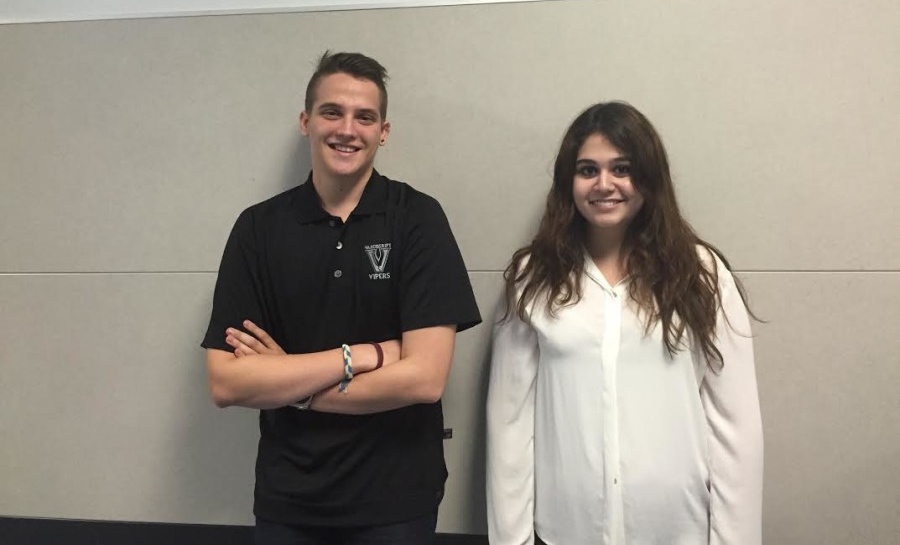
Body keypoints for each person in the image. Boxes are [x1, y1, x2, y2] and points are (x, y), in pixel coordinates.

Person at [203, 51, 481, 545]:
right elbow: (227, 382)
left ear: (384, 131)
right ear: (306, 121)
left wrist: (292, 383)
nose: (347, 129)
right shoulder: (258, 229)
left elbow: (423, 379)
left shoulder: (417, 219)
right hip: (289, 501)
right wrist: (365, 356)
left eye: (364, 117)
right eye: (332, 112)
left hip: (397, 503)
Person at [486, 102, 763, 545]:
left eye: (622, 168)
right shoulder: (532, 277)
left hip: (678, 532)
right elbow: (509, 425)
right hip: (564, 533)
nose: (604, 184)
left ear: (649, 179)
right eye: (587, 170)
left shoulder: (703, 275)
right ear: (568, 181)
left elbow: (736, 427)